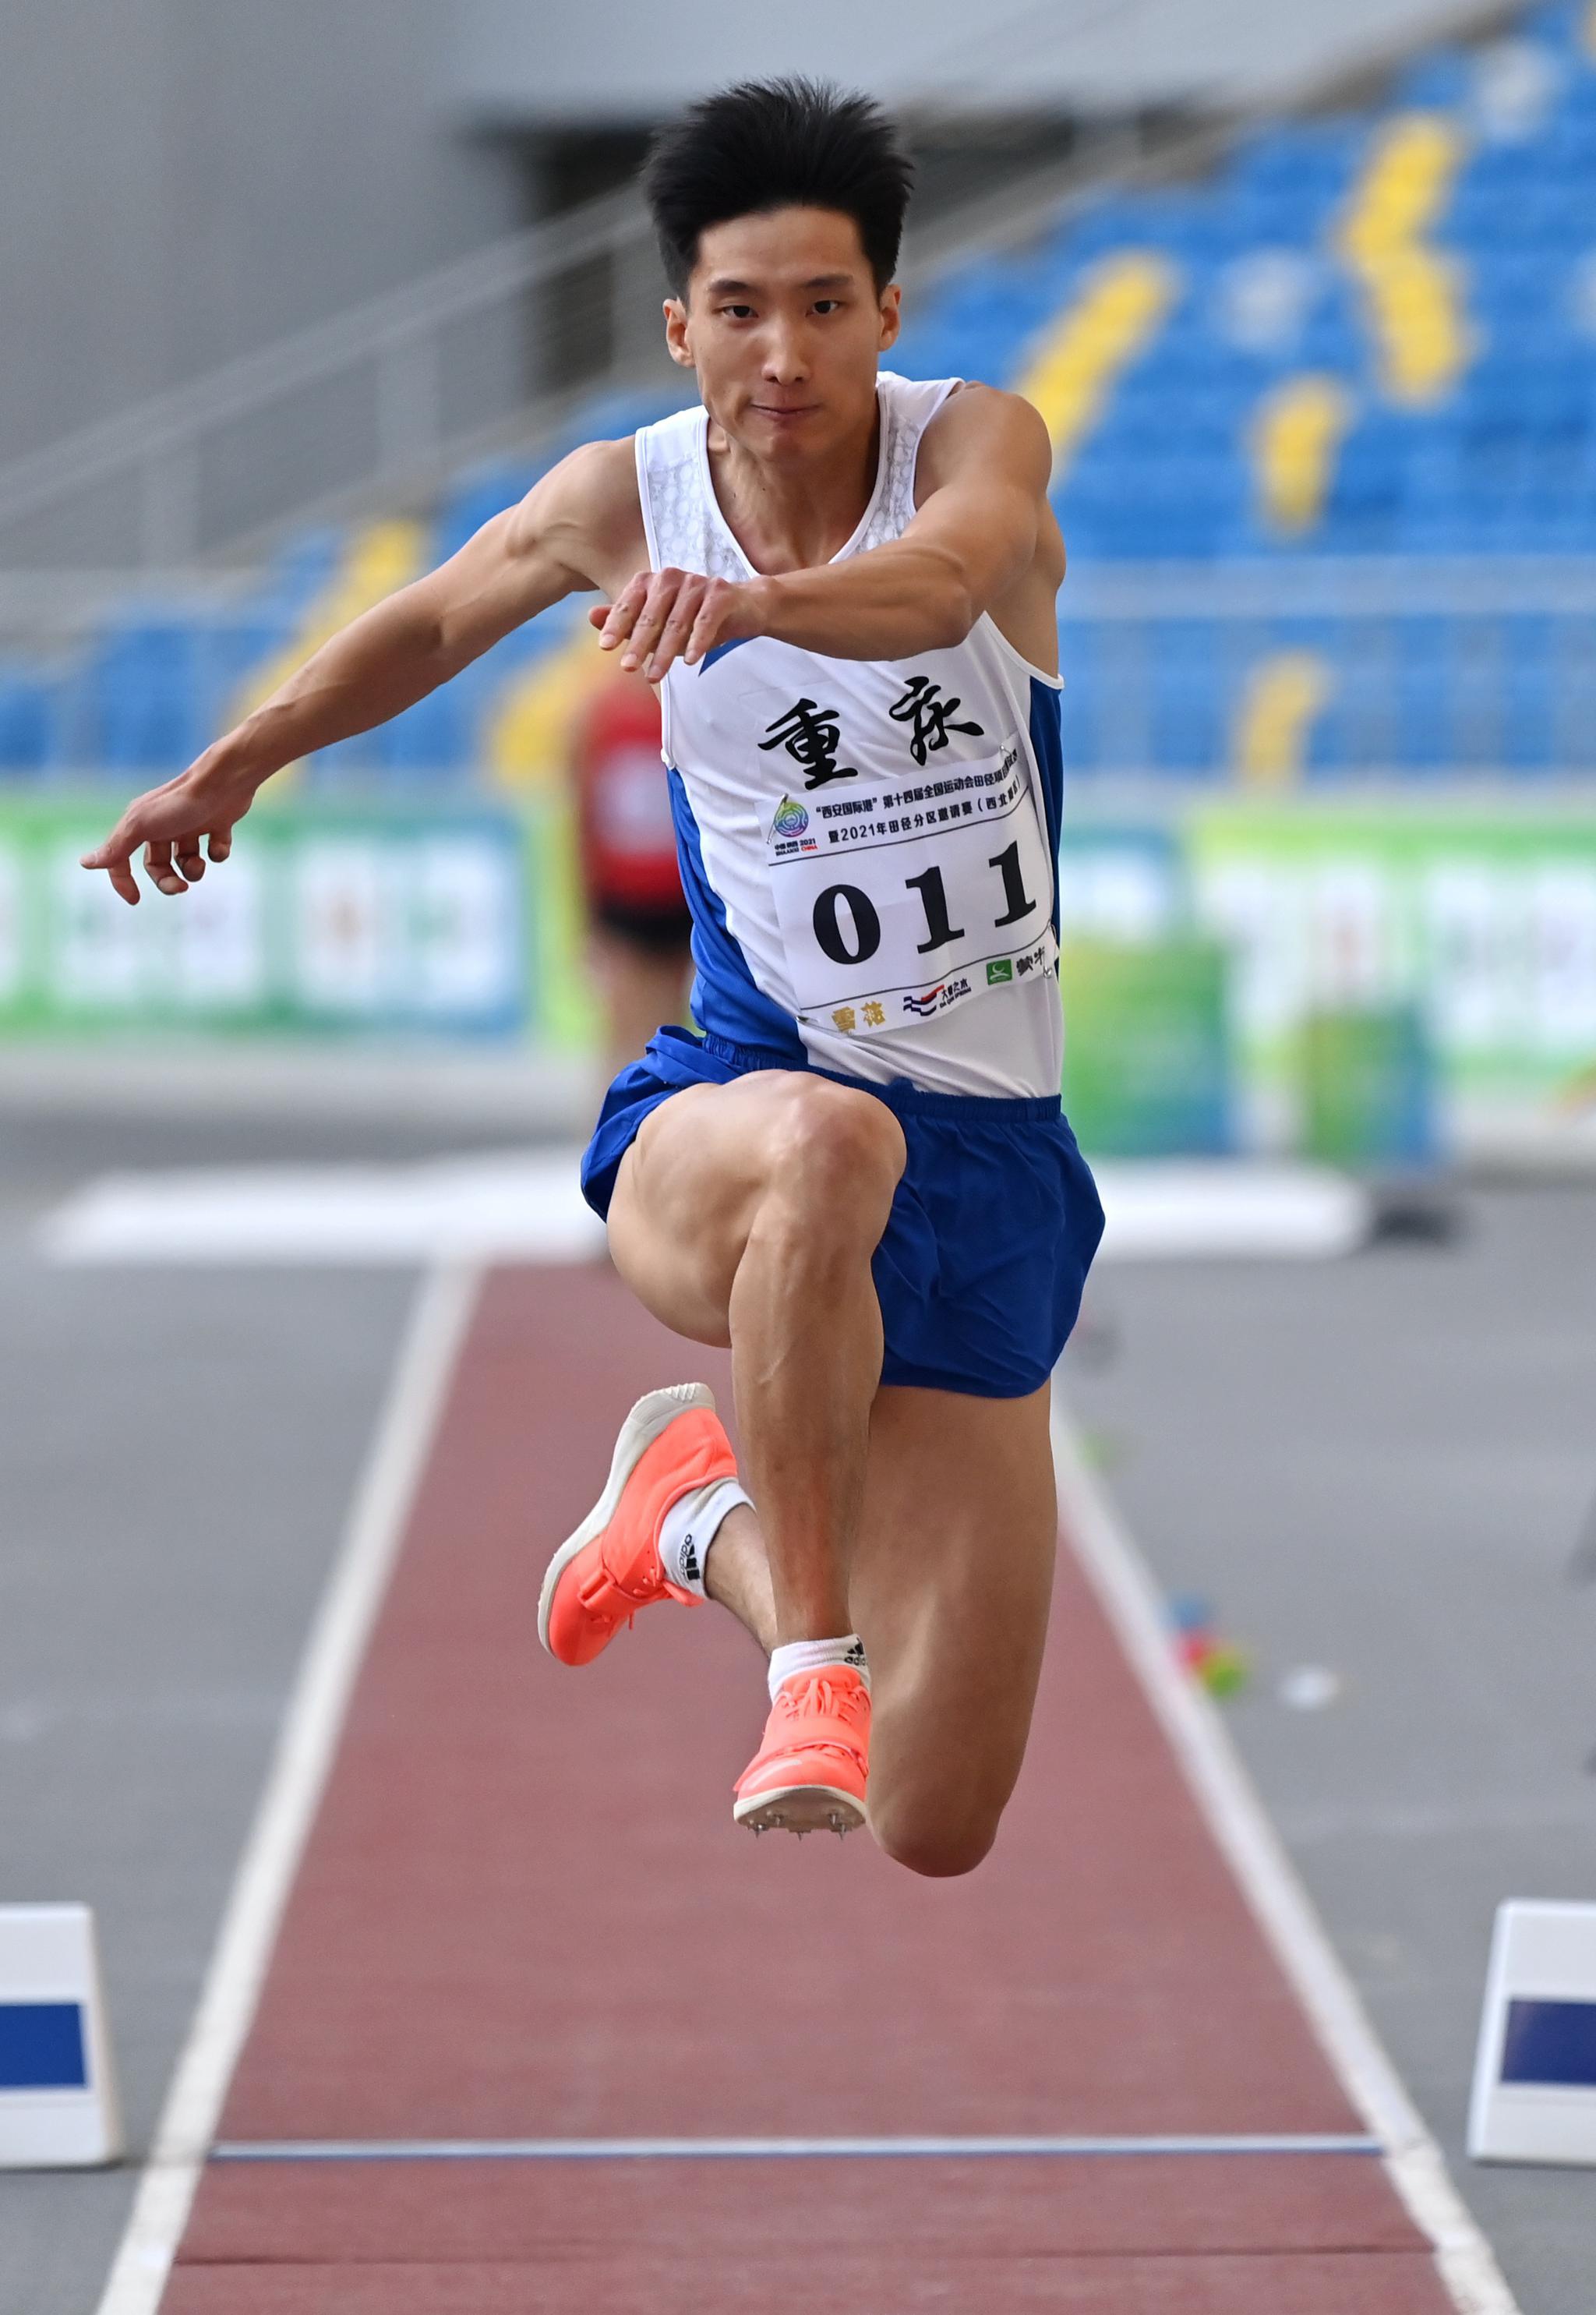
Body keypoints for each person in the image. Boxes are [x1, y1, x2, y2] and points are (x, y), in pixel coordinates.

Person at [80, 78, 1104, 1878]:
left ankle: (689, 1512)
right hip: (729, 1112)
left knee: (938, 1820)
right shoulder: (617, 499)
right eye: (735, 309)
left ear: (883, 311)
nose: (777, 353)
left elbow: (942, 588)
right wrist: (240, 759)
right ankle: (805, 1662)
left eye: (817, 305)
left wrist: (757, 611)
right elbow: (427, 617)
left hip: (999, 1165)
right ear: (674, 323)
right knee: (821, 1148)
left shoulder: (973, 454)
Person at [571, 667, 694, 1087]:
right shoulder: (598, 717)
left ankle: (658, 1127)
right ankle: (614, 1133)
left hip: (683, 896)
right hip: (626, 901)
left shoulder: (686, 712)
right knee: (627, 1031)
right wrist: (588, 915)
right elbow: (583, 820)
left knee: (671, 1030)